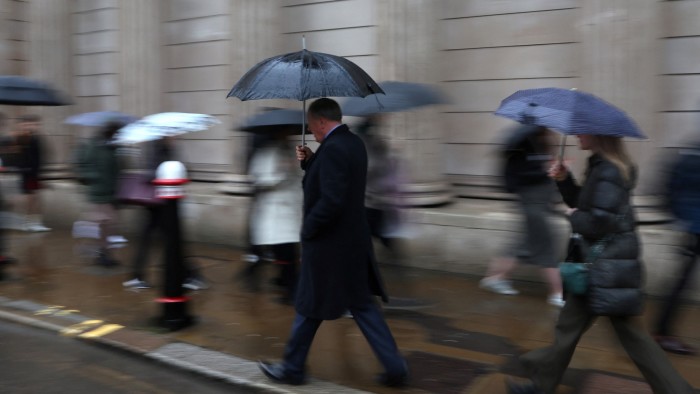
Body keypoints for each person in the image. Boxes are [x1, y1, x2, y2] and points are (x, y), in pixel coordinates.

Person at [507, 134, 694, 394]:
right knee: (577, 331)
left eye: (582, 130)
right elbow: (586, 202)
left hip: (604, 269)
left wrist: (574, 218)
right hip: (605, 267)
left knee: (608, 335)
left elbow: (598, 221)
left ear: (597, 135)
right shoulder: (603, 166)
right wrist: (564, 180)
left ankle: (536, 375)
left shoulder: (608, 170)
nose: (576, 135)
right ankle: (540, 384)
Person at [258, 98, 408, 387]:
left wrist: (308, 230)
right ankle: (395, 367)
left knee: (308, 306)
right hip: (353, 243)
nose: (311, 131)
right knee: (362, 306)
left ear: (322, 122)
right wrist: (311, 162)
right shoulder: (352, 144)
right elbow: (337, 183)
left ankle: (292, 368)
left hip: (330, 246)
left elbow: (331, 200)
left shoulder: (334, 149)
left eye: (312, 126)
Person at [480, 125, 564, 307]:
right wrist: (546, 169)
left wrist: (553, 167)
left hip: (541, 203)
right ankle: (557, 292)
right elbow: (525, 174)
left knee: (523, 245)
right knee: (546, 244)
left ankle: (496, 277)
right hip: (532, 204)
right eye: (549, 127)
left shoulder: (541, 144)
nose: (552, 130)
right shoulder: (526, 143)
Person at [652, 142, 700, 355]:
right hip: (695, 225)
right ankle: (663, 332)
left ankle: (662, 331)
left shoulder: (688, 152)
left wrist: (679, 216)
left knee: (680, 281)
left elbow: (669, 187)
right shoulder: (693, 156)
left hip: (689, 223)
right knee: (681, 282)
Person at [246, 128, 302, 304]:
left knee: (287, 253)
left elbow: (300, 177)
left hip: (288, 211)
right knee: (283, 253)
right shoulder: (266, 152)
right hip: (275, 213)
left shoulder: (293, 150)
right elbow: (259, 178)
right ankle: (288, 286)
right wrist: (280, 173)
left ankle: (292, 291)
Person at [78, 120, 123, 267]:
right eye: (116, 131)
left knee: (109, 225)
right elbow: (84, 165)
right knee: (104, 224)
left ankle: (103, 254)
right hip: (98, 193)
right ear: (108, 130)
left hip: (110, 193)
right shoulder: (94, 145)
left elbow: (116, 170)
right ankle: (98, 253)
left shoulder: (113, 147)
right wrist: (96, 176)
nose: (118, 134)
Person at [14, 114, 50, 232]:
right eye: (28, 124)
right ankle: (29, 222)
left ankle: (33, 222)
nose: (32, 126)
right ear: (22, 125)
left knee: (35, 198)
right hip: (28, 173)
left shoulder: (36, 138)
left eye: (34, 124)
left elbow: (39, 157)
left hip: (34, 173)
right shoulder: (23, 139)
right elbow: (20, 157)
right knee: (32, 198)